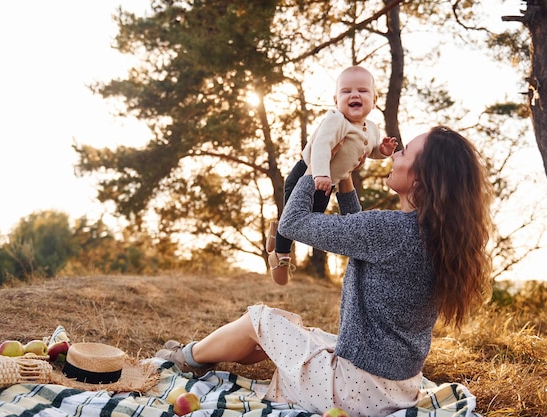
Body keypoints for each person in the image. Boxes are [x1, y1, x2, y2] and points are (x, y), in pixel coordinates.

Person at [156, 126, 493, 417]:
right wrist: (343, 178)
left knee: (258, 319)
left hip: (351, 393)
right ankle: (209, 358)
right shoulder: (434, 237)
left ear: (422, 176)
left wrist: (318, 166)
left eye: (405, 151)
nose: (396, 154)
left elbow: (293, 223)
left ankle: (185, 359)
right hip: (397, 390)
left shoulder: (390, 230)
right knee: (292, 326)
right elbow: (360, 233)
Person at [266, 65, 398, 285]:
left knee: (311, 219)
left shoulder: (373, 129)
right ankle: (280, 257)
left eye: (363, 91)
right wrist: (319, 174)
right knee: (296, 218)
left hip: (329, 183)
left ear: (374, 100)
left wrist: (382, 152)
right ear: (336, 100)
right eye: (346, 91)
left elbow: (370, 151)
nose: (354, 94)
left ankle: (277, 231)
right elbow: (321, 147)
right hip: (307, 175)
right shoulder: (336, 120)